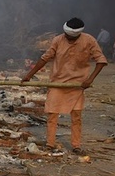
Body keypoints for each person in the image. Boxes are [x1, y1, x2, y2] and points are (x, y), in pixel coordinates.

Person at [21, 17, 107, 155]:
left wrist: (90, 79)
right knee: (52, 115)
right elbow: (45, 58)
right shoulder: (58, 40)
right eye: (67, 36)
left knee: (76, 116)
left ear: (79, 34)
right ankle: (50, 143)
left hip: (77, 85)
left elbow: (101, 60)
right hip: (57, 83)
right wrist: (29, 75)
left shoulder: (89, 40)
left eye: (72, 38)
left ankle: (76, 145)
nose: (68, 39)